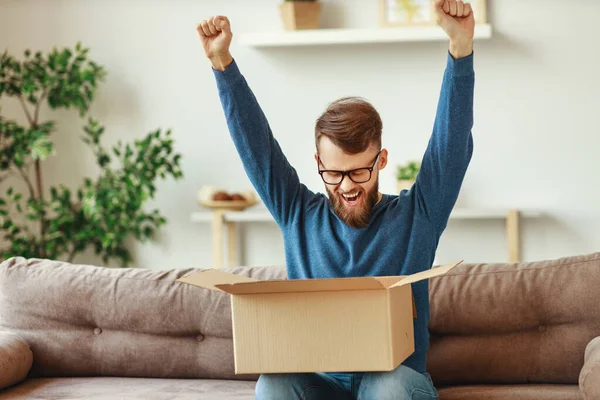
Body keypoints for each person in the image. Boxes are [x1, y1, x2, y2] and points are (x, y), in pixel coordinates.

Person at [197, 0, 474, 398]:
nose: (346, 186)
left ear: (381, 160)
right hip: (322, 383)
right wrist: (222, 63)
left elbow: (449, 148)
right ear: (317, 163)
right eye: (333, 173)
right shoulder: (297, 213)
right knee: (272, 382)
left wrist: (460, 48)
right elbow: (256, 148)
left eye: (359, 171)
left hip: (393, 381)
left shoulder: (418, 216)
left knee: (390, 383)